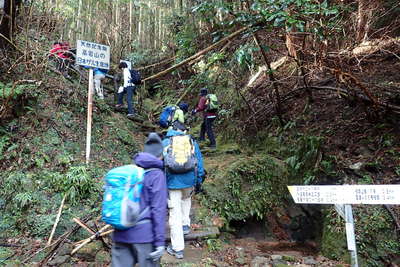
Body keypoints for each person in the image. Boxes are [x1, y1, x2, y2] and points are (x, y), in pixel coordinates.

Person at [111, 133, 167, 267]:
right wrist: (159, 242)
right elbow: (158, 210)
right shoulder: (157, 175)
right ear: (161, 154)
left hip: (121, 232)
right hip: (144, 237)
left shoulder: (131, 172)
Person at [162, 128, 205, 259]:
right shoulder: (191, 142)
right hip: (189, 181)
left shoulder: (165, 143)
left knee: (174, 216)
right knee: (186, 200)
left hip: (172, 184)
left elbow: (160, 166)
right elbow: (199, 164)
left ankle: (177, 249)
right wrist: (198, 182)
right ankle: (185, 225)